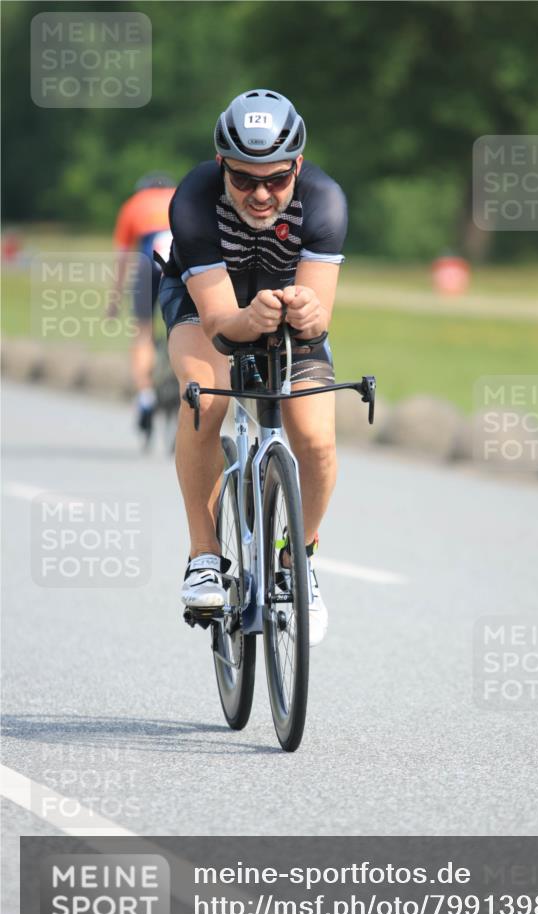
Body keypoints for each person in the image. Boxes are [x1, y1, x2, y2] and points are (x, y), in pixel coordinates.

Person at [158, 89, 347, 646]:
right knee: (206, 396)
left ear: (298, 167)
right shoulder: (193, 199)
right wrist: (250, 315)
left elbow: (317, 320)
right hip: (205, 303)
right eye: (243, 179)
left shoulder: (325, 201)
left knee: (314, 439)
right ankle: (203, 555)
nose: (261, 194)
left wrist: (307, 314)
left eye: (276, 179)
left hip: (278, 307)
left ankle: (299, 557)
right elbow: (220, 323)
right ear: (221, 167)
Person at [110, 173, 176, 434]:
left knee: (142, 333)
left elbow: (123, 259)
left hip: (148, 263)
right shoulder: (179, 198)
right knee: (186, 327)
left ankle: (145, 396)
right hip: (178, 263)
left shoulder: (133, 205)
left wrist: (114, 300)